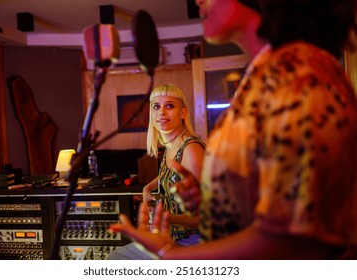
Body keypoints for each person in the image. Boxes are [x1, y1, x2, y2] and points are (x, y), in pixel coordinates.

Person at [110, 0, 357, 260]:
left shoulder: (299, 75)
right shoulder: (263, 75)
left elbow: (298, 239)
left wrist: (169, 255)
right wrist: (212, 202)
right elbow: (259, 204)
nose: (198, 1)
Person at [106, 83, 206, 259]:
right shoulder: (171, 147)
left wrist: (163, 218)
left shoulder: (191, 149)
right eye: (156, 107)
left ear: (183, 113)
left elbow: (202, 216)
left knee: (117, 259)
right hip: (170, 235)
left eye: (169, 106)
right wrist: (147, 188)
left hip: (194, 239)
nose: (162, 112)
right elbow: (169, 174)